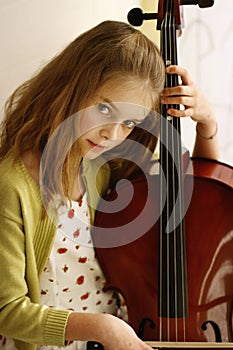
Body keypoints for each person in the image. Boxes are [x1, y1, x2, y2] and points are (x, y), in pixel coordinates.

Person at [0, 20, 219, 350]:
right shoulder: (13, 185)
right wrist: (104, 328)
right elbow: (8, 311)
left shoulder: (101, 168)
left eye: (129, 122)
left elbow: (202, 195)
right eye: (104, 109)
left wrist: (207, 123)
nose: (112, 134)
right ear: (71, 86)